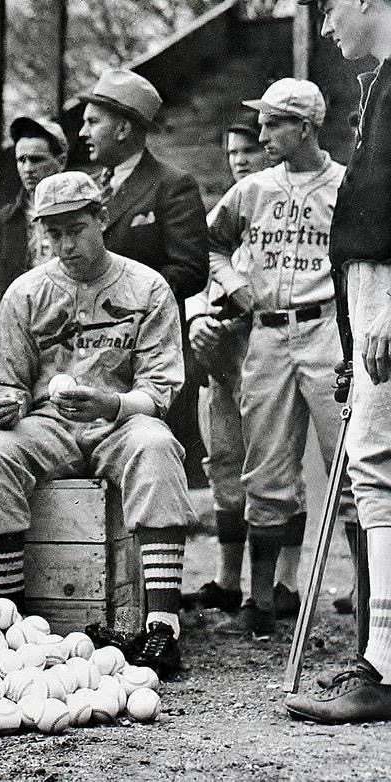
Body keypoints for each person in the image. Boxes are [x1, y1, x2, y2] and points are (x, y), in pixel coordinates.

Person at [0, 171, 194, 679]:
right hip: (48, 423)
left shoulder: (146, 286)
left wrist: (110, 404)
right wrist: (6, 405)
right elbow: (5, 383)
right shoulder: (26, 293)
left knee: (157, 447)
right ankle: (12, 625)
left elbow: (159, 391)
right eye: (54, 233)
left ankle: (161, 626)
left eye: (76, 228)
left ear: (102, 219)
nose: (66, 244)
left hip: (120, 419)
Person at [208, 78, 355, 636]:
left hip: (326, 332)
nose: (263, 133)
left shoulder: (344, 185)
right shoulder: (254, 189)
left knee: (348, 468)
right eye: (262, 122)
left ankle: (369, 602)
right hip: (268, 332)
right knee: (265, 469)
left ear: (307, 127)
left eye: (274, 123)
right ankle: (263, 600)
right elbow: (213, 243)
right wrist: (233, 285)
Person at [285, 0, 391, 724]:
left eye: (330, 11)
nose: (326, 29)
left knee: (377, 469)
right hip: (370, 291)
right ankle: (381, 657)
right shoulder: (379, 83)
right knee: (375, 468)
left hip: (387, 287)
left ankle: (382, 665)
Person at [185, 111, 309, 615]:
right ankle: (226, 579)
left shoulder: (284, 203)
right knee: (226, 465)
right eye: (232, 153)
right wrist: (197, 317)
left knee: (280, 468)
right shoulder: (229, 210)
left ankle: (286, 580)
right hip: (226, 349)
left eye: (249, 152)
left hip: (274, 344)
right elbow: (200, 271)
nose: (240, 161)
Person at [79, 68, 209, 475]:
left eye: (92, 122)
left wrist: (130, 294)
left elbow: (191, 269)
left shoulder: (172, 185)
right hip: (88, 348)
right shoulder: (88, 190)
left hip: (147, 350)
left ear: (122, 130)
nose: (83, 132)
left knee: (148, 464)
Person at [0, 115, 68, 383]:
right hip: (16, 343)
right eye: (21, 160)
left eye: (36, 159)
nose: (27, 168)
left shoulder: (81, 220)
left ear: (60, 161)